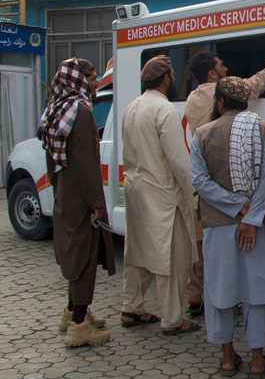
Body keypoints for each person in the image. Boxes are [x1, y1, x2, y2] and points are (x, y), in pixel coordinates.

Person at [190, 77, 265, 378]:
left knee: (220, 289)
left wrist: (233, 204)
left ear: (219, 103)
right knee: (258, 289)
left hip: (218, 225)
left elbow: (200, 182)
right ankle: (257, 360)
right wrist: (251, 217)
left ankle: (228, 359)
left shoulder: (201, 134)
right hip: (257, 226)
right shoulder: (263, 129)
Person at [183, 51, 265, 316]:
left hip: (211, 190)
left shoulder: (191, 99)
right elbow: (255, 83)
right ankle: (238, 299)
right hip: (237, 183)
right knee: (240, 253)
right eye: (222, 65)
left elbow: (199, 179)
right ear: (213, 75)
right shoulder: (227, 92)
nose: (226, 68)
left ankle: (197, 293)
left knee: (207, 250)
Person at [120, 55, 200, 335]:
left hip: (136, 192)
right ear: (166, 78)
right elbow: (179, 161)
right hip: (163, 196)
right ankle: (173, 319)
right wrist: (195, 195)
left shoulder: (131, 107)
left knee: (138, 253)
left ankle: (132, 309)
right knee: (172, 258)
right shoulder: (164, 110)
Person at [41, 58, 115, 347]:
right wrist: (97, 202)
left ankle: (72, 311)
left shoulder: (56, 110)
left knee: (74, 252)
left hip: (65, 193)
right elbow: (87, 165)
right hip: (81, 197)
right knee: (83, 257)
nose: (96, 82)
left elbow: (52, 159)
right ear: (79, 80)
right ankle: (79, 327)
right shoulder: (81, 113)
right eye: (93, 77)